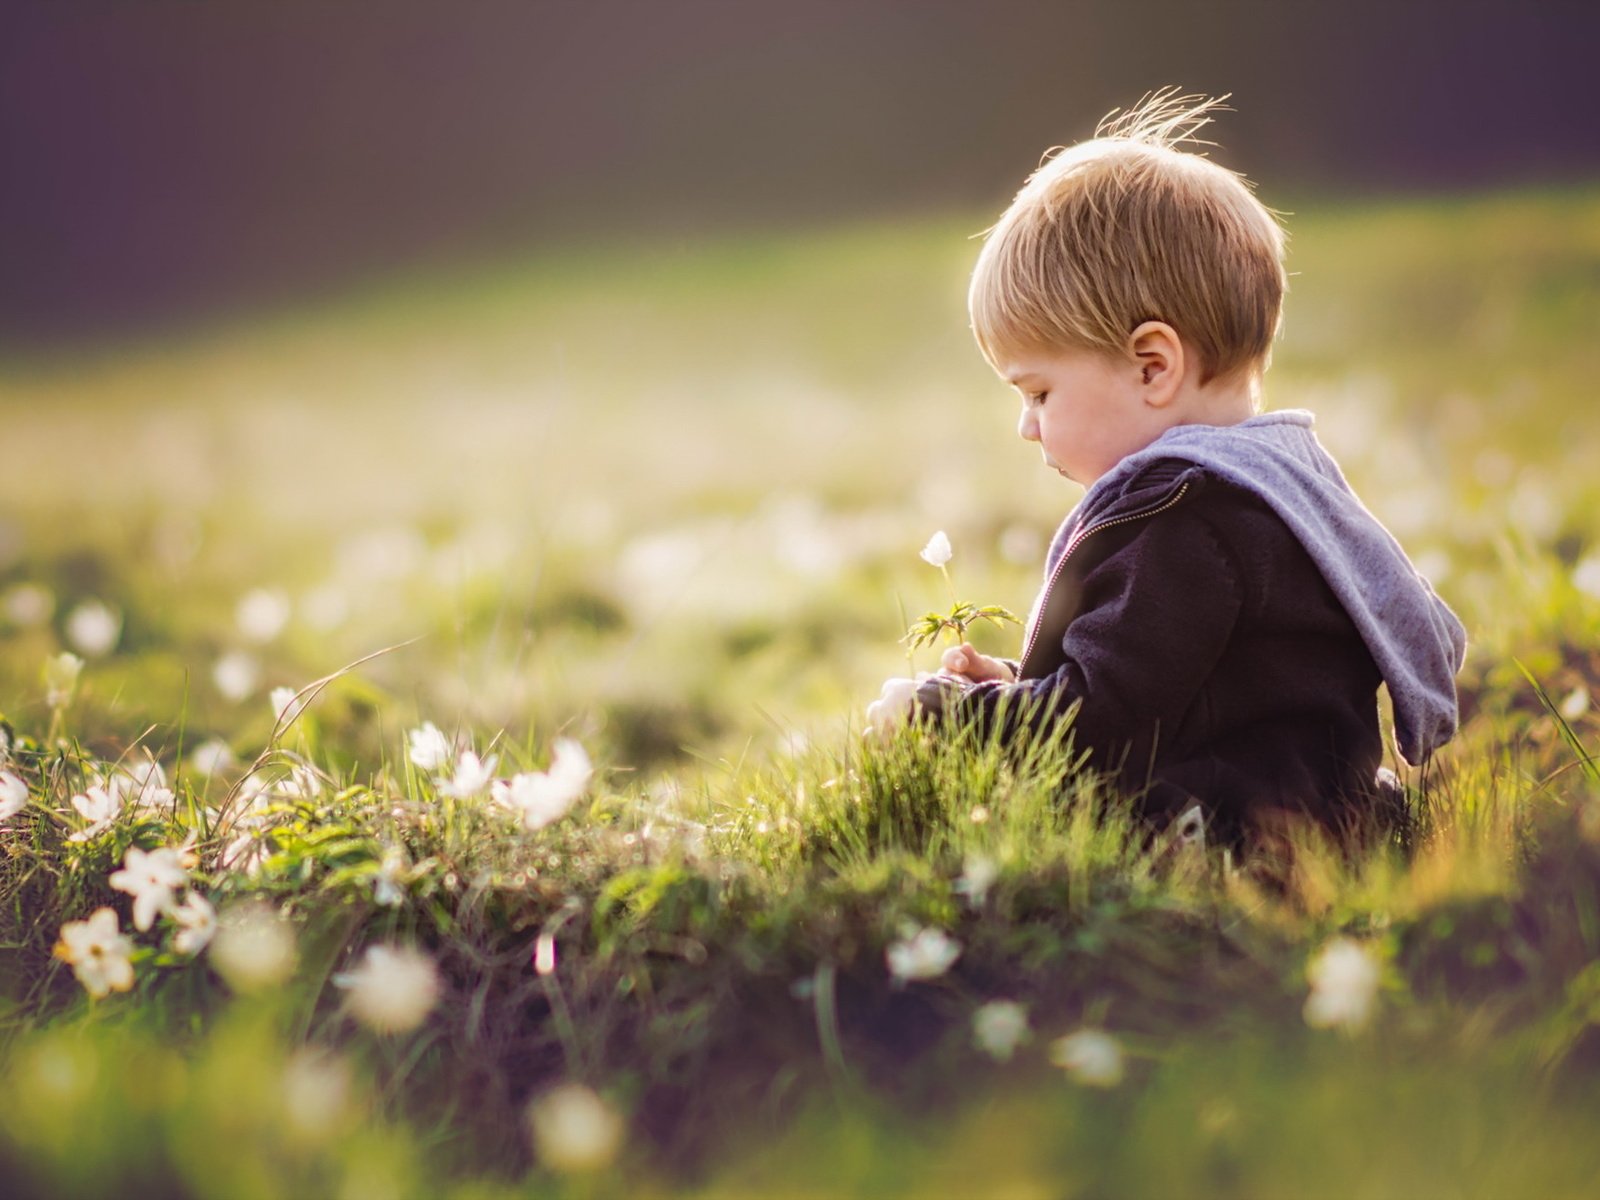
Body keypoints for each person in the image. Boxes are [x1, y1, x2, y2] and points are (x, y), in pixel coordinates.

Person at [865, 90, 1467, 850]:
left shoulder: (1184, 520)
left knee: (996, 841)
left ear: (1153, 366)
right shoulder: (1273, 485)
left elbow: (1097, 733)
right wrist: (1021, 688)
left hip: (1222, 836)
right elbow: (1179, 695)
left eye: (1039, 391)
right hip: (1307, 811)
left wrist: (945, 716)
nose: (1026, 425)